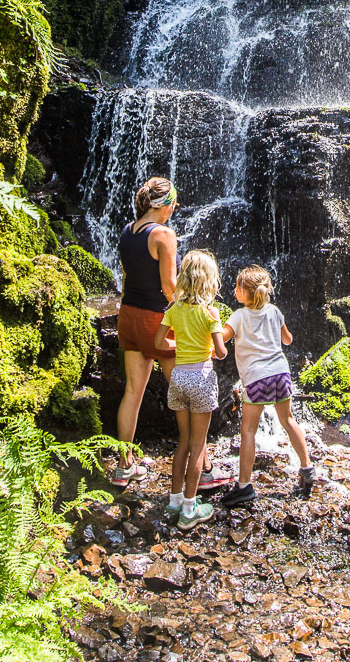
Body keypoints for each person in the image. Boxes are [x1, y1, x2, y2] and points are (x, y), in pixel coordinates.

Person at [113, 177, 227, 492]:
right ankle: (202, 469)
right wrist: (191, 316)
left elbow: (129, 275)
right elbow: (169, 287)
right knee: (192, 396)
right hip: (154, 319)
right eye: (173, 203)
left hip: (128, 317)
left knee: (132, 393)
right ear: (166, 204)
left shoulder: (128, 230)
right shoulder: (164, 234)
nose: (175, 209)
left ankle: (124, 467)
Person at [218, 265, 315, 508]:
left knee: (248, 430)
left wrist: (210, 324)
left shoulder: (238, 316)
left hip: (256, 378)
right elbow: (288, 339)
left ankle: (243, 486)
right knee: (288, 420)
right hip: (281, 374)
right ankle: (307, 468)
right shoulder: (274, 311)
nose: (234, 290)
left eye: (236, 287)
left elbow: (222, 338)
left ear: (243, 292)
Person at [154, 249, 227, 530]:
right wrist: (211, 347)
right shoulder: (210, 313)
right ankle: (189, 508)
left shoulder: (173, 310)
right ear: (209, 281)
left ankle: (173, 500)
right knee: (198, 446)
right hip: (201, 377)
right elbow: (220, 352)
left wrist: (181, 346)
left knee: (183, 442)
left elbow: (160, 343)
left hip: (179, 378)